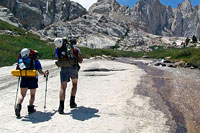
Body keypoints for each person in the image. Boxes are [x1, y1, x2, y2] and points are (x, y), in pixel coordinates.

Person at [15, 49, 49, 117]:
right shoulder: (36, 62)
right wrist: (45, 73)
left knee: (22, 94)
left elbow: (18, 70)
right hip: (33, 79)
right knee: (32, 95)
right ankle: (30, 108)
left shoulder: (21, 61)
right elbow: (40, 71)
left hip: (24, 78)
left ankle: (18, 106)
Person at [54, 37, 83, 114]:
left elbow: (57, 57)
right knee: (74, 84)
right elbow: (80, 60)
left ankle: (61, 107)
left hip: (63, 69)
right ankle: (72, 102)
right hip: (73, 68)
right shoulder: (76, 49)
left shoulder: (58, 49)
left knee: (63, 87)